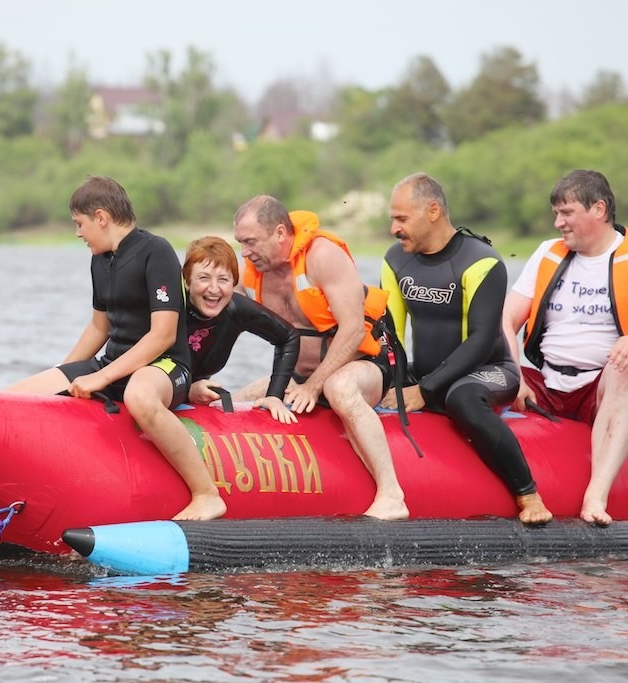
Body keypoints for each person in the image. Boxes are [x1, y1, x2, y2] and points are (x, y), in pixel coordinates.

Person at [6, 175, 226, 521]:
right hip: (115, 364)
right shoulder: (100, 259)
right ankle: (18, 499)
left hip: (166, 367)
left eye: (80, 224)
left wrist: (101, 377)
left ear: (101, 217)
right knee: (16, 400)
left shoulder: (157, 251)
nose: (78, 233)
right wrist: (61, 378)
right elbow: (99, 326)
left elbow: (163, 335)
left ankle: (206, 494)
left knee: (140, 395)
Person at [502, 169, 628, 526]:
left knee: (627, 367)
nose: (558, 222)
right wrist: (515, 377)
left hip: (605, 387)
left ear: (599, 209)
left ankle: (596, 495)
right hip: (548, 385)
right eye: (556, 213)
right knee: (484, 371)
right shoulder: (548, 253)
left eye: (567, 212)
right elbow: (506, 321)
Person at [379, 172, 552, 525]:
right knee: (366, 379)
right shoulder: (395, 260)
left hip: (487, 371)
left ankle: (528, 493)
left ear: (432, 211)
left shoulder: (481, 261)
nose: (394, 229)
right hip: (426, 373)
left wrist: (424, 391)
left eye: (401, 219)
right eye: (392, 219)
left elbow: (482, 340)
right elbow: (391, 336)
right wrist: (392, 384)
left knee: (462, 397)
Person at [232, 195, 408, 520]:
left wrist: (313, 387)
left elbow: (354, 330)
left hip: (364, 367)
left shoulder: (322, 256)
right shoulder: (254, 272)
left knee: (338, 388)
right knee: (245, 395)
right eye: (240, 242)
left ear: (281, 233)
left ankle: (392, 493)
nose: (244, 252)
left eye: (251, 241)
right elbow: (224, 320)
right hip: (302, 378)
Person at [182, 236, 300, 424]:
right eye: (204, 278)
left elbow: (289, 337)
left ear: (233, 283)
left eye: (223, 279)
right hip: (148, 394)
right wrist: (185, 391)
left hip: (195, 399)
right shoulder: (167, 307)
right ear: (187, 281)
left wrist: (274, 395)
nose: (214, 289)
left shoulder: (237, 310)